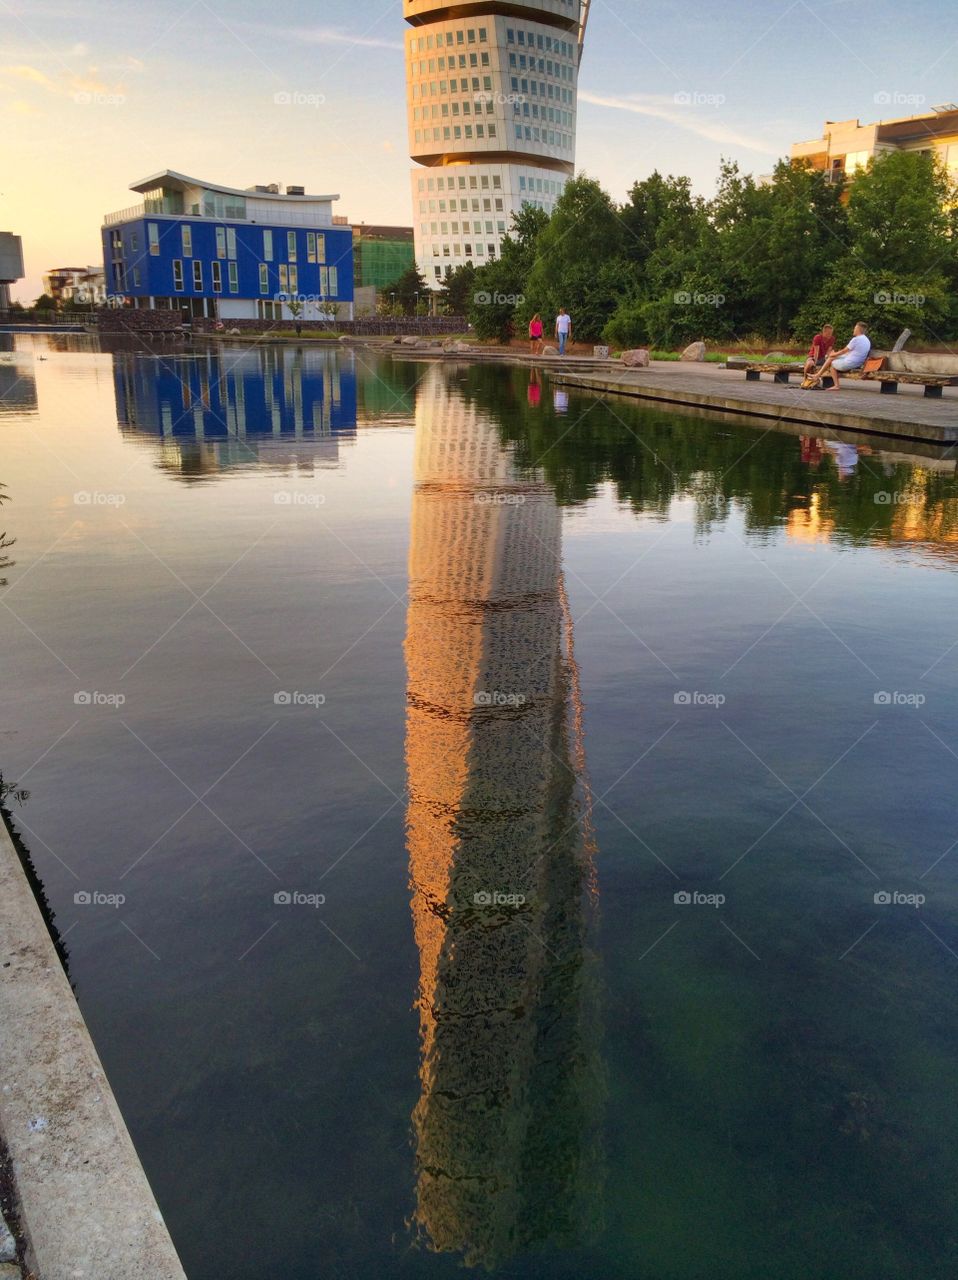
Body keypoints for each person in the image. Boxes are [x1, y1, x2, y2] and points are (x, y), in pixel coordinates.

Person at [809, 323, 871, 391]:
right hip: (858, 362)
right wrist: (834, 355)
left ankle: (835, 385)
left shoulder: (856, 339)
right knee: (831, 357)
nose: (854, 330)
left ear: (858, 329)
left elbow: (844, 351)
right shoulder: (867, 340)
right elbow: (850, 352)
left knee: (832, 364)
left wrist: (834, 354)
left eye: (855, 328)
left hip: (851, 363)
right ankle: (818, 375)